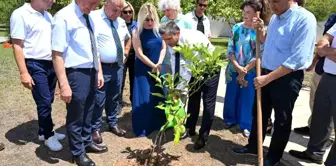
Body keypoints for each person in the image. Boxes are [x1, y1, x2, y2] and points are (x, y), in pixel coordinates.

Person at [232, 0, 317, 165]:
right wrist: (260, 31)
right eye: (269, 1)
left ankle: (273, 156)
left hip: (286, 78)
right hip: (266, 73)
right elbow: (268, 42)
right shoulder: (276, 18)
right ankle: (253, 146)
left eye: (275, 1)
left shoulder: (304, 19)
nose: (271, 5)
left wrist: (267, 78)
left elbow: (297, 59)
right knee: (259, 113)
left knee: (281, 119)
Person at [52, 0, 107, 165]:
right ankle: (77, 152)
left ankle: (86, 142)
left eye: (96, 4)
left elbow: (94, 46)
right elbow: (57, 54)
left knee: (89, 111)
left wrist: (98, 71)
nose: (93, 8)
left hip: (91, 71)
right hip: (75, 73)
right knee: (76, 115)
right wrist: (64, 84)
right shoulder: (63, 17)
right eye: (91, 3)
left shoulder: (88, 17)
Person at [10, 0, 65, 152]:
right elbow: (17, 45)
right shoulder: (20, 14)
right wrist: (23, 72)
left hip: (50, 63)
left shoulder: (48, 16)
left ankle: (43, 131)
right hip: (35, 64)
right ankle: (48, 136)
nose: (54, 1)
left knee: (48, 100)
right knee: (44, 101)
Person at [159, 21, 217, 150]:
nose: (167, 43)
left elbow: (187, 68)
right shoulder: (172, 41)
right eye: (165, 40)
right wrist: (175, 85)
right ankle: (190, 129)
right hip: (194, 70)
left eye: (168, 39)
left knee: (208, 104)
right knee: (193, 99)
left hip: (209, 69)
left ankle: (203, 136)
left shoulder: (192, 39)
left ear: (177, 33)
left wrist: (178, 90)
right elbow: (176, 63)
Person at [288, 24, 336, 166]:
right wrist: (326, 50)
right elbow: (322, 42)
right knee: (321, 117)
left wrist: (326, 51)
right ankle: (314, 153)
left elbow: (324, 48)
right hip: (328, 76)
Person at [90, 0, 130, 145]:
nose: (117, 14)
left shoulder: (120, 21)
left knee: (114, 96)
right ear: (106, 3)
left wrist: (125, 53)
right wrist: (98, 70)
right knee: (99, 98)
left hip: (118, 66)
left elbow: (128, 38)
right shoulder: (93, 17)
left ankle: (112, 123)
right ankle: (94, 128)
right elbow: (93, 46)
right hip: (102, 67)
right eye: (115, 10)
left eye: (120, 11)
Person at [223, 0, 264, 138]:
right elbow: (230, 49)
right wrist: (237, 66)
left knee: (248, 98)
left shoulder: (259, 31)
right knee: (231, 95)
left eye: (248, 12)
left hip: (250, 71)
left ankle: (246, 124)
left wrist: (245, 68)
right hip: (234, 68)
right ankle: (230, 119)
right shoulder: (236, 28)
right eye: (243, 12)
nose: (244, 15)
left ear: (256, 14)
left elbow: (260, 53)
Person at [132, 3, 167, 137]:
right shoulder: (136, 32)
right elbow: (139, 53)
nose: (150, 22)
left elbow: (163, 48)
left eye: (152, 19)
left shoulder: (159, 30)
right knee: (144, 98)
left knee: (157, 96)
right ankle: (143, 128)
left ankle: (158, 124)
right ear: (141, 18)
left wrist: (159, 63)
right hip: (143, 69)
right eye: (147, 19)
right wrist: (153, 65)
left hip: (158, 68)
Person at [121, 1, 137, 106]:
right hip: (122, 55)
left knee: (133, 79)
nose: (128, 14)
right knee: (120, 79)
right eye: (125, 12)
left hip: (134, 55)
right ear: (121, 13)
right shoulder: (118, 24)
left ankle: (133, 100)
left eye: (130, 12)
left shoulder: (136, 25)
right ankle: (118, 101)